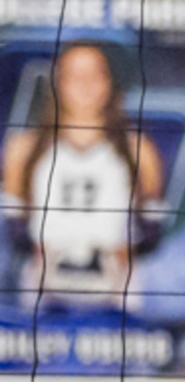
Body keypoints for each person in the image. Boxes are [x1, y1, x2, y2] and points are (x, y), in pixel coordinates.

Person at [1, 42, 164, 309]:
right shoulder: (23, 148)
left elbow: (152, 231)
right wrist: (56, 255)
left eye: (94, 74)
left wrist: (113, 254)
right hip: (44, 290)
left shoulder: (138, 149)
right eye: (74, 75)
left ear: (109, 82)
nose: (84, 85)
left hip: (118, 290)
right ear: (58, 83)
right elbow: (14, 231)